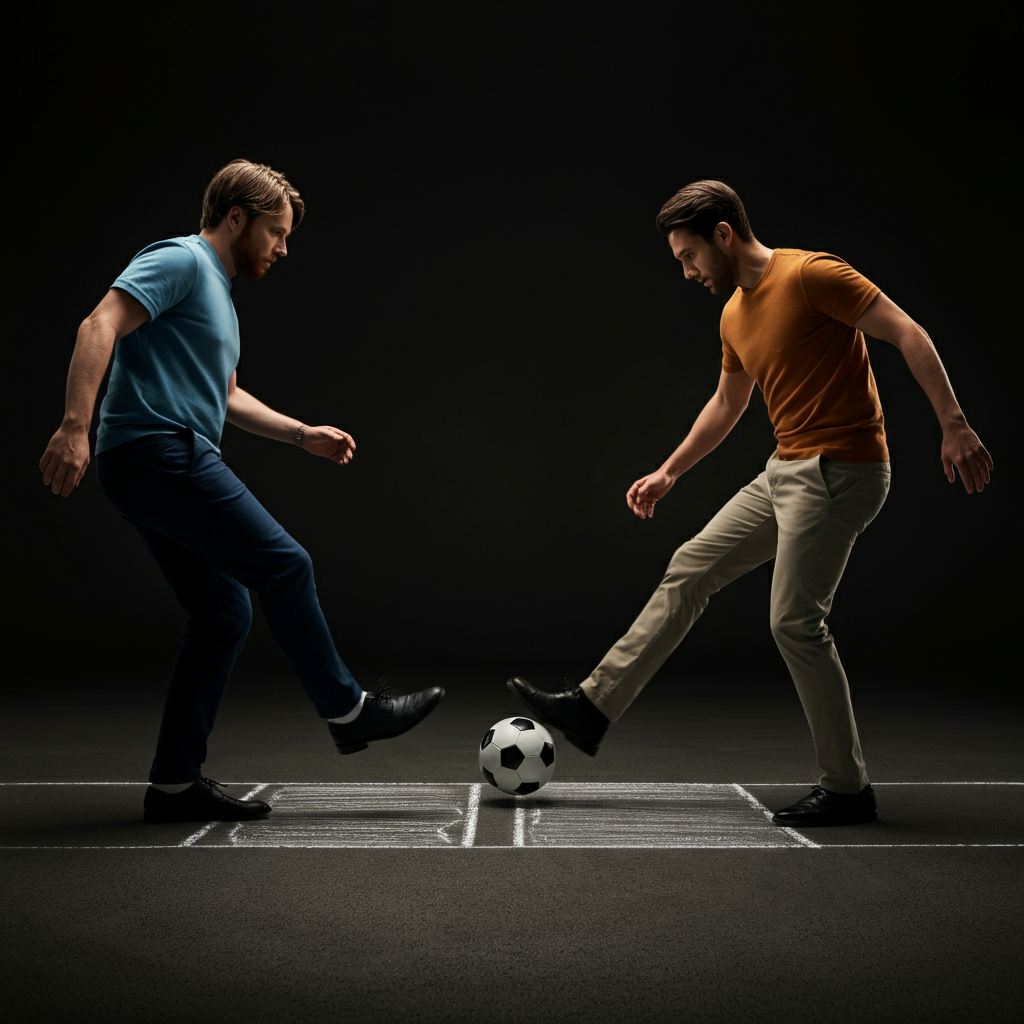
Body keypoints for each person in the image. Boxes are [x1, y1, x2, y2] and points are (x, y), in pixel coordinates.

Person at [509, 179, 992, 826]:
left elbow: (908, 333)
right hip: (785, 472)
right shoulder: (733, 314)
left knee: (795, 622)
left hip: (842, 471)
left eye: (689, 256)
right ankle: (592, 709)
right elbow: (728, 404)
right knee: (691, 565)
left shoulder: (812, 275)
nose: (687, 271)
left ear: (724, 235)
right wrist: (669, 472)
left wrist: (954, 424)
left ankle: (848, 789)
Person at [39, 159, 444, 823]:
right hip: (160, 450)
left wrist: (299, 433)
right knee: (286, 565)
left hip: (152, 459)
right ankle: (349, 712)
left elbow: (225, 396)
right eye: (276, 233)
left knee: (223, 613)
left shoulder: (218, 295)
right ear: (236, 219)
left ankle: (173, 785)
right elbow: (99, 325)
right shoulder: (183, 261)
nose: (283, 249)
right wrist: (74, 427)